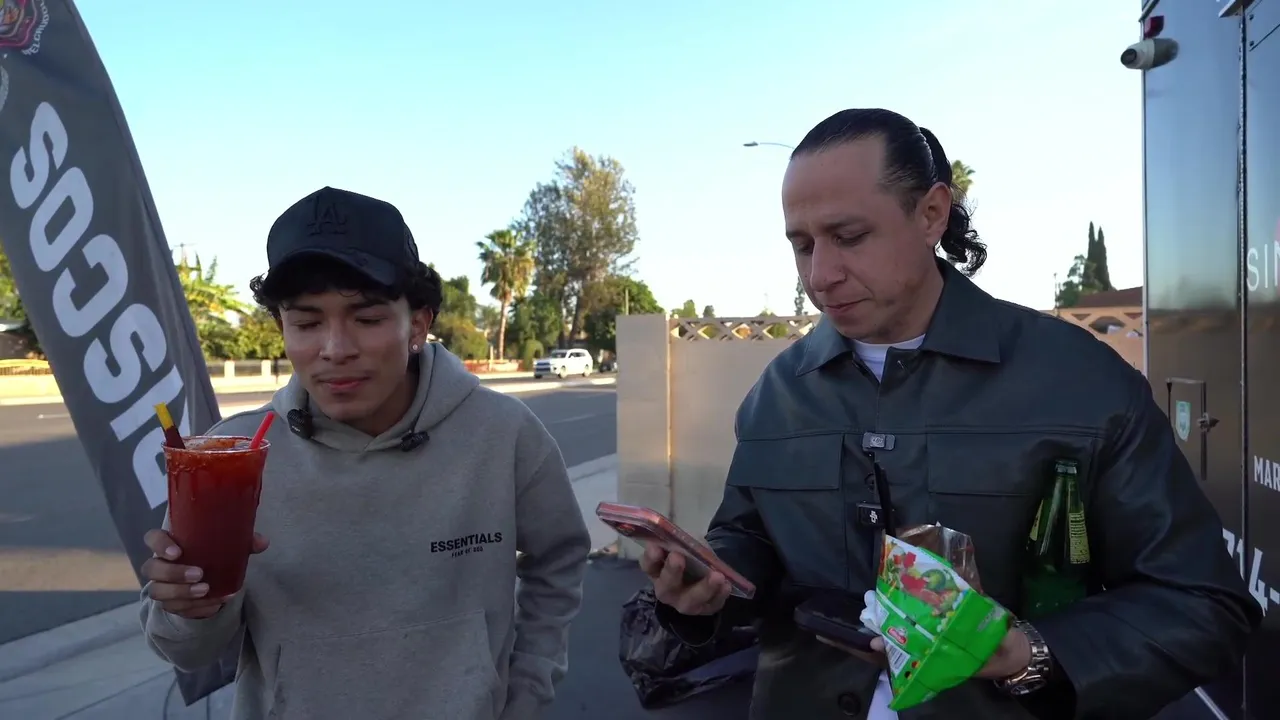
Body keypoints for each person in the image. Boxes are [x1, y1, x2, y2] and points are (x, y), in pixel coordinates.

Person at [642, 109, 1261, 719]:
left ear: (931, 214)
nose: (820, 275)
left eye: (849, 237)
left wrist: (1028, 655)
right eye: (802, 246)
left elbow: (1201, 604)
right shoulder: (777, 393)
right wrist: (704, 586)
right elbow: (748, 537)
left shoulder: (1082, 383)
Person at [139, 186, 592, 719]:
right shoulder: (230, 458)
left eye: (368, 318)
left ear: (417, 323)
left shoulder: (505, 433)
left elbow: (558, 558)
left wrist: (528, 689)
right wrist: (190, 606)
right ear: (282, 328)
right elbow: (189, 651)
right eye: (307, 323)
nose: (335, 349)